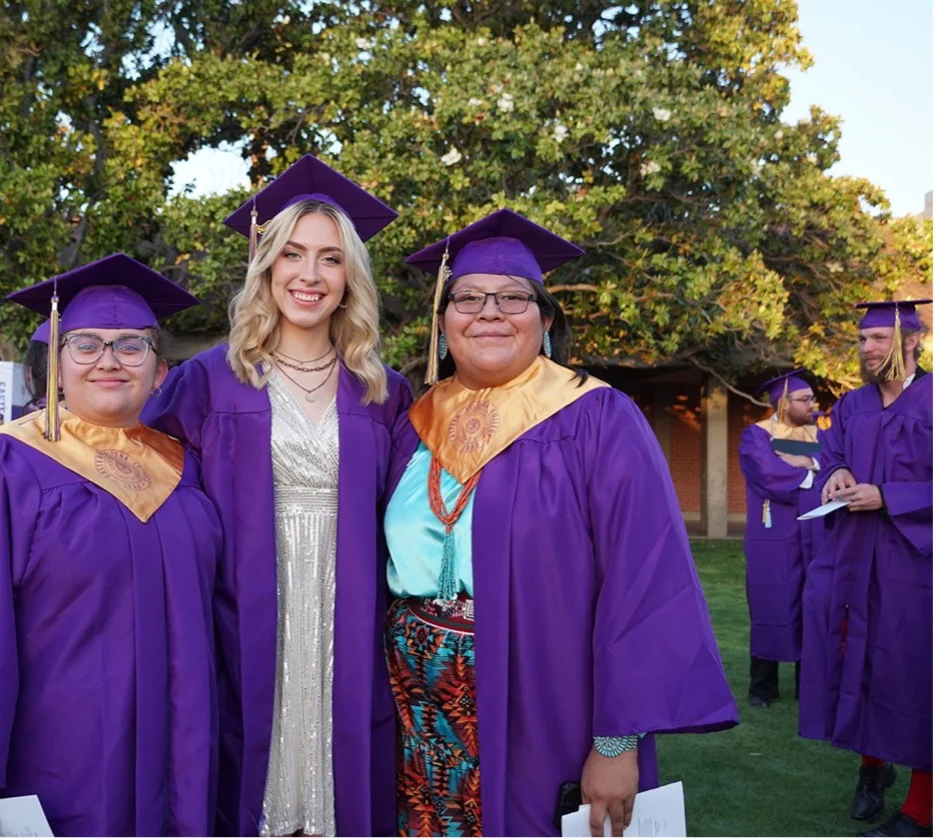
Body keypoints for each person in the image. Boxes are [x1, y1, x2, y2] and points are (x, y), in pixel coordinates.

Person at [385, 210, 739, 837]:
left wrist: (615, 742)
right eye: (467, 297)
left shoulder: (598, 418)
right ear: (442, 323)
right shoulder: (411, 426)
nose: (488, 312)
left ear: (546, 320)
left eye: (513, 297)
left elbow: (645, 581)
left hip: (542, 692)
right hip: (418, 703)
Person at [0, 254, 223, 837]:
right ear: (57, 365)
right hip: (62, 748)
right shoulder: (8, 462)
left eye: (131, 346)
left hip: (179, 741)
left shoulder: (185, 465)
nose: (109, 361)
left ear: (160, 370)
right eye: (86, 344)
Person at [145, 154, 411, 837]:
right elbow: (157, 507)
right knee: (246, 743)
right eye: (291, 254)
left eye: (329, 258)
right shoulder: (208, 381)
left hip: (349, 604)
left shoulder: (382, 388)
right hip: (240, 605)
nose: (309, 275)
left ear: (349, 274)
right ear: (265, 266)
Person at [801, 300, 932, 837]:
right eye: (862, 340)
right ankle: (872, 770)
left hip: (914, 566)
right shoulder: (852, 405)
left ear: (912, 342)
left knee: (916, 676)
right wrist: (835, 471)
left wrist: (889, 495)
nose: (869, 348)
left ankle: (923, 807)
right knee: (857, 663)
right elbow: (829, 452)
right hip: (855, 561)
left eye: (881, 337)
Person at [738, 370, 823, 708]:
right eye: (804, 400)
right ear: (783, 402)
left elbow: (834, 465)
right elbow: (765, 471)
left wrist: (806, 461)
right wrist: (810, 471)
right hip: (773, 537)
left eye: (812, 399)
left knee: (813, 604)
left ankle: (809, 686)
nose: (812, 405)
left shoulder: (820, 434)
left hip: (816, 533)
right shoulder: (756, 435)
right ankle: (762, 687)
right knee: (770, 603)